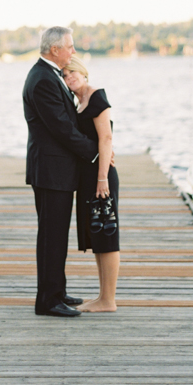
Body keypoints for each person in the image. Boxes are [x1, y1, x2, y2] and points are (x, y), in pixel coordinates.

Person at [22, 26, 99, 317]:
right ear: (54, 50)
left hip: (55, 169)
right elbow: (62, 129)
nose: (74, 52)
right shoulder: (42, 79)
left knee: (55, 235)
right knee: (52, 236)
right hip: (51, 171)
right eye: (70, 46)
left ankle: (56, 291)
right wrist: (95, 151)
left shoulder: (47, 75)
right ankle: (48, 301)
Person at [62, 56, 120, 313]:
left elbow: (106, 138)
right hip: (89, 177)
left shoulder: (96, 97)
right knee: (97, 234)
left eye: (72, 71)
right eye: (64, 75)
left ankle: (109, 301)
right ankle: (102, 297)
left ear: (83, 71)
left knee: (107, 234)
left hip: (101, 177)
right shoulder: (79, 101)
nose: (69, 77)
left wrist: (102, 177)